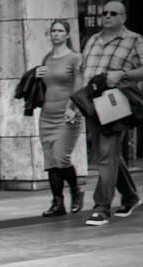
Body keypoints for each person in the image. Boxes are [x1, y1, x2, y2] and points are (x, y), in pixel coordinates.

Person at [81, 1, 142, 227]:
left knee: (106, 154)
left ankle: (101, 206)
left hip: (116, 103)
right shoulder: (92, 40)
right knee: (106, 154)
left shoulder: (134, 40)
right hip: (91, 102)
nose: (107, 16)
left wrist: (123, 74)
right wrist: (74, 101)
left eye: (113, 13)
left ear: (123, 17)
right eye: (105, 13)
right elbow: (82, 71)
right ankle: (130, 196)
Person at [36, 20, 85, 217]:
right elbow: (43, 86)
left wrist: (73, 107)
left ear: (67, 34)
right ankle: (57, 203)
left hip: (67, 115)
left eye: (60, 31)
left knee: (61, 157)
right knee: (50, 160)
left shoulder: (75, 58)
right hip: (46, 115)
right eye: (53, 31)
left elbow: (79, 85)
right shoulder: (47, 58)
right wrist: (36, 74)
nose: (56, 34)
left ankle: (75, 190)